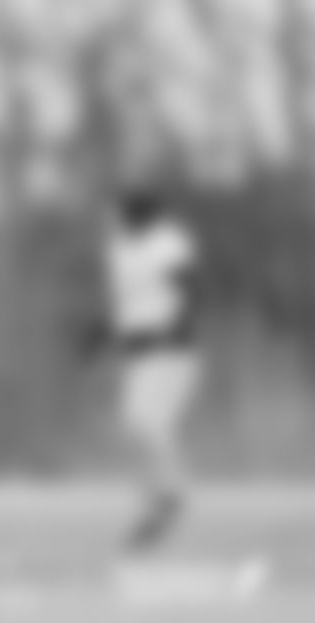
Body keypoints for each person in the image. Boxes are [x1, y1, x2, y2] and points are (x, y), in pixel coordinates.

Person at [98, 192, 203, 560]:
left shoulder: (166, 243)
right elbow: (130, 303)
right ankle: (155, 502)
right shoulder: (121, 249)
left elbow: (190, 288)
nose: (114, 222)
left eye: (120, 215)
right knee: (135, 425)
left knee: (149, 423)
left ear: (142, 217)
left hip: (171, 351)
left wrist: (177, 327)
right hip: (139, 353)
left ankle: (169, 496)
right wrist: (104, 336)